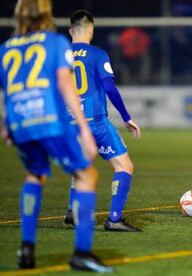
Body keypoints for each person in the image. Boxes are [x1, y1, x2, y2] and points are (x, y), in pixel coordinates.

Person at [0, 0, 112, 272]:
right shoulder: (55, 42)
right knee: (88, 175)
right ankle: (82, 252)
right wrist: (85, 129)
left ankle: (26, 249)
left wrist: (6, 123)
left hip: (21, 121)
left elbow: (8, 91)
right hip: (50, 120)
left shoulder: (5, 49)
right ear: (46, 15)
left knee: (34, 175)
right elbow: (65, 85)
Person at [64, 10, 141, 232]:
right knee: (124, 166)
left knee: (83, 165)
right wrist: (126, 117)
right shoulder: (97, 54)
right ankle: (114, 218)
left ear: (71, 31)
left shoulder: (60, 56)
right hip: (96, 122)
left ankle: (72, 211)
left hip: (71, 123)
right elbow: (109, 87)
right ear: (91, 30)